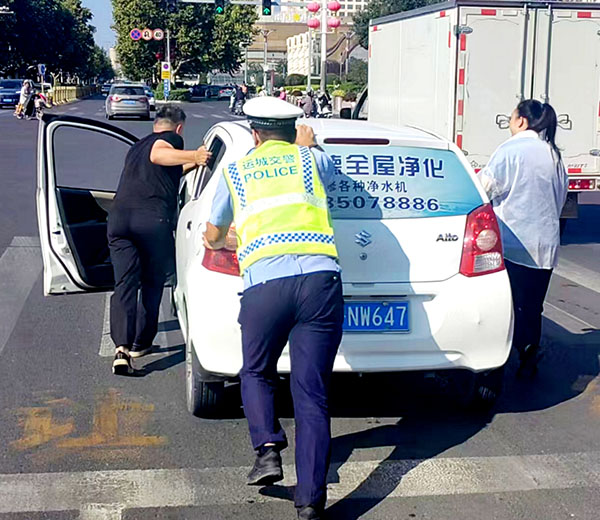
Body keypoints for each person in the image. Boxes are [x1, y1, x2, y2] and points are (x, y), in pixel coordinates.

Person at [203, 97, 343, 520]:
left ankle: (266, 449)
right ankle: (311, 503)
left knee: (256, 370)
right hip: (320, 283)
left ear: (255, 134)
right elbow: (333, 179)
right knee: (312, 393)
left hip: (265, 286)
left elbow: (213, 236)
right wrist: (309, 145)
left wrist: (232, 239)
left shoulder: (236, 172)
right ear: (294, 130)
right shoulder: (311, 160)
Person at [108, 105, 211, 375]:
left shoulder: (136, 147)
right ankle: (141, 342)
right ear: (179, 128)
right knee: (152, 283)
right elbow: (159, 154)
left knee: (125, 284)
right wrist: (195, 154)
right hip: (151, 221)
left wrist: (191, 163)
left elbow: (166, 168)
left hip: (119, 221)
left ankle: (121, 348)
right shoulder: (168, 141)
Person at [478, 99, 568, 376]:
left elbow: (484, 189)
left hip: (513, 244)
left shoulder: (510, 150)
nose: (509, 121)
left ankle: (501, 360)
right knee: (532, 307)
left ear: (521, 121)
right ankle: (529, 352)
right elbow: (560, 198)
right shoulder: (553, 155)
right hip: (545, 246)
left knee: (507, 305)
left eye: (511, 117)